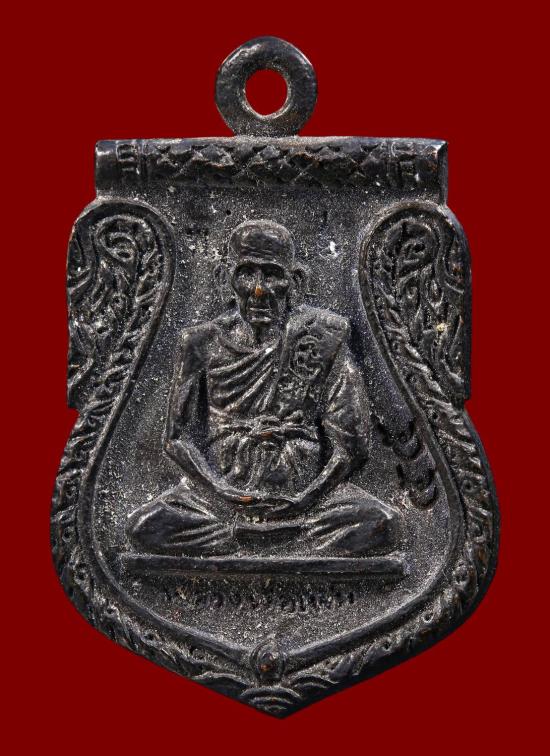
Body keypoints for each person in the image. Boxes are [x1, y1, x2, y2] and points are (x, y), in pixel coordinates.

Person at [127, 220, 399, 556]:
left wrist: (306, 499)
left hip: (307, 500)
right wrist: (222, 492)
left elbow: (351, 446)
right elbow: (176, 438)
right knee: (145, 527)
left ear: (295, 281)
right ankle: (274, 540)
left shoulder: (323, 337)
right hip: (220, 501)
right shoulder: (200, 342)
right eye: (246, 274)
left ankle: (262, 537)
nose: (258, 290)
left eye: (272, 275)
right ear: (225, 279)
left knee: (382, 523)